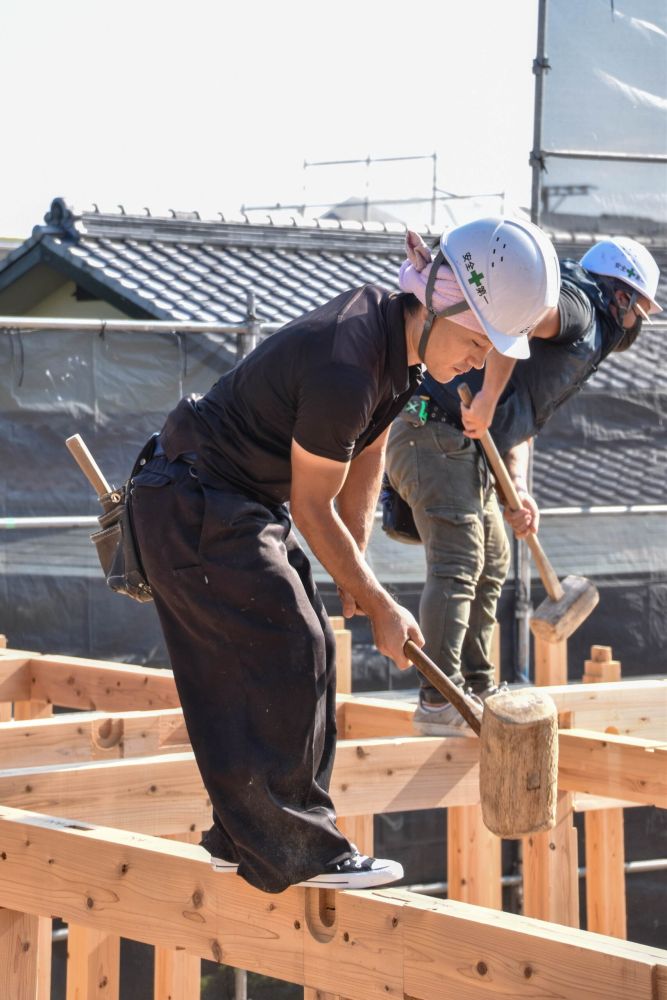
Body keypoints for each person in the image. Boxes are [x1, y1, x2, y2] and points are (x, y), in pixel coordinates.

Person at [129, 215, 559, 894]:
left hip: (229, 504)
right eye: (477, 342)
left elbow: (366, 464)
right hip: (195, 501)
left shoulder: (395, 354)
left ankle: (242, 839)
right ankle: (299, 850)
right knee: (289, 644)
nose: (479, 361)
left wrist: (355, 575)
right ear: (439, 304)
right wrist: (383, 603)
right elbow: (310, 507)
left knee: (307, 647)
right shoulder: (346, 360)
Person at [384, 234, 661, 736]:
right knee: (460, 559)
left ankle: (479, 688)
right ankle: (438, 699)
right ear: (617, 293)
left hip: (463, 444)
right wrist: (487, 395)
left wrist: (518, 485)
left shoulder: (586, 328)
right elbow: (520, 317)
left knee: (493, 561)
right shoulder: (579, 306)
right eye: (639, 308)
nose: (638, 321)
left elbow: (522, 417)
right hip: (432, 430)